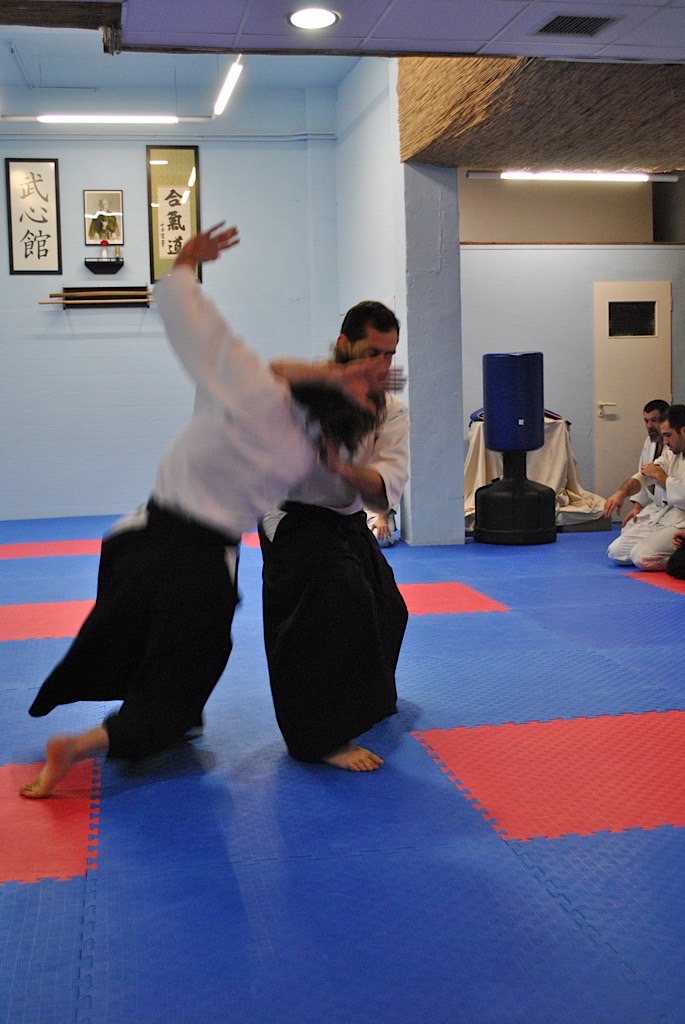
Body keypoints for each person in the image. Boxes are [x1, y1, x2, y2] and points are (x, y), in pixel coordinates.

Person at [21, 223, 389, 799]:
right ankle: (82, 745)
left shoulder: (250, 387)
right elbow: (344, 481)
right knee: (191, 666)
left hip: (135, 540)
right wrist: (341, 389)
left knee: (138, 642)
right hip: (193, 562)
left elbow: (202, 328)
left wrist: (185, 263)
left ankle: (156, 723)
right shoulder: (303, 453)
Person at [259, 300, 409, 773]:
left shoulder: (390, 409)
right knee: (330, 609)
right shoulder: (306, 389)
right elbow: (269, 373)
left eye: (390, 354)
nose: (382, 364)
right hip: (292, 516)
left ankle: (368, 702)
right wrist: (333, 378)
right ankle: (317, 738)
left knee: (389, 609)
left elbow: (381, 494)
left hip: (345, 517)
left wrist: (340, 467)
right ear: (344, 345)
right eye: (372, 352)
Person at [606, 403, 685, 570]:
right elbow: (644, 476)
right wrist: (622, 492)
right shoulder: (672, 455)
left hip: (682, 522)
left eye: (668, 435)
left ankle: (676, 560)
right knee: (616, 552)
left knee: (641, 556)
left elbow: (682, 495)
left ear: (684, 431)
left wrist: (661, 476)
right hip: (666, 515)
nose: (665, 441)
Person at [603, 398, 670, 527]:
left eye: (654, 420)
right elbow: (642, 475)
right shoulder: (649, 442)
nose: (649, 425)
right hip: (656, 506)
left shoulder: (676, 448)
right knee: (629, 526)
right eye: (646, 421)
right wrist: (636, 507)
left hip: (673, 507)